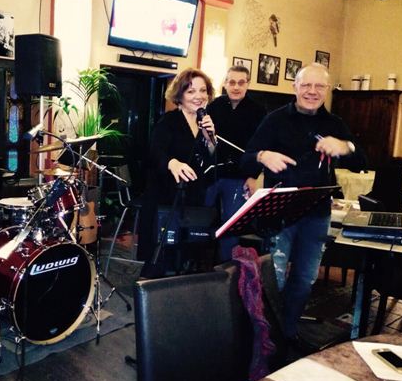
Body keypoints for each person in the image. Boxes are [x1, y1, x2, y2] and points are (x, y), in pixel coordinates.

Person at [240, 63, 367, 339]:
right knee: (273, 279)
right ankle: (262, 338)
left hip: (317, 214)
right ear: (295, 87)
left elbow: (362, 162)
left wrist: (346, 147)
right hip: (279, 213)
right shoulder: (274, 120)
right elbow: (245, 159)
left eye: (319, 86)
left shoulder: (335, 124)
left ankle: (287, 333)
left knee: (305, 280)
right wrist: (262, 156)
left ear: (327, 89)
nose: (312, 91)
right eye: (306, 85)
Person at [138, 68, 217, 275]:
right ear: (180, 95)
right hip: (166, 197)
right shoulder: (169, 121)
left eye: (203, 90)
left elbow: (211, 161)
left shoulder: (204, 123)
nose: (198, 96)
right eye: (191, 91)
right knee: (160, 258)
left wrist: (210, 140)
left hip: (192, 198)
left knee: (187, 257)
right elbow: (155, 151)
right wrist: (172, 163)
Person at [206, 65, 266, 261]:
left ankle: (227, 267)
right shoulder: (214, 106)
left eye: (241, 83)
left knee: (231, 223)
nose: (236, 87)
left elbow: (261, 147)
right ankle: (199, 262)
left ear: (248, 84)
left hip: (240, 176)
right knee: (202, 217)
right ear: (225, 83)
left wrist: (252, 176)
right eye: (232, 82)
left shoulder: (258, 111)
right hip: (213, 172)